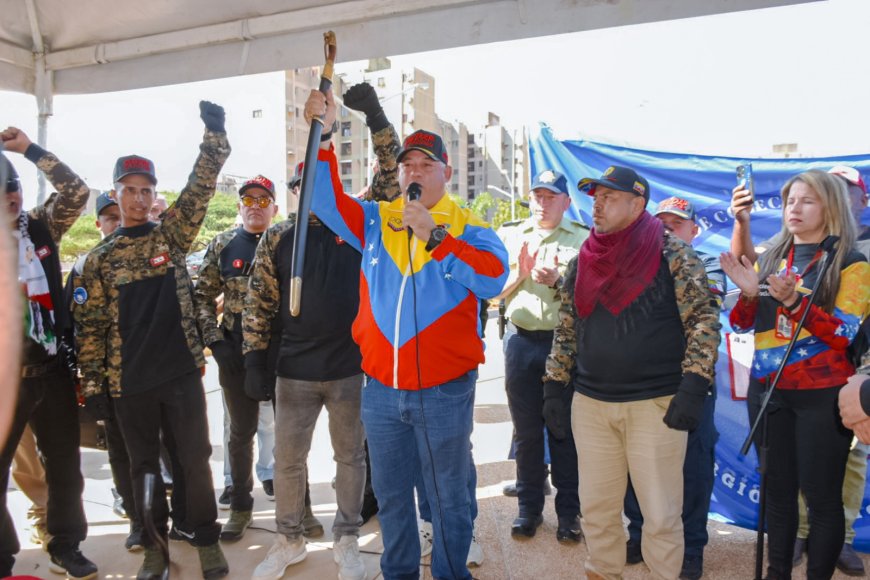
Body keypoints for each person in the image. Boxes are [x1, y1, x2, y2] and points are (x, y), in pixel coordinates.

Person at [304, 87, 508, 580]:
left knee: (447, 501)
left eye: (425, 164)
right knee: (393, 501)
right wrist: (325, 135)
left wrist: (435, 237)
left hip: (443, 391)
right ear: (397, 175)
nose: (414, 172)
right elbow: (323, 198)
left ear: (446, 173)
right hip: (380, 391)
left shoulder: (470, 226)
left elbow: (493, 278)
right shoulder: (376, 219)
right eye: (407, 166)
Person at [75, 101, 231, 580]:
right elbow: (92, 330)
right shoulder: (99, 260)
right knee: (143, 469)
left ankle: (204, 538)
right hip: (130, 384)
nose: (140, 200)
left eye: (147, 191)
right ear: (116, 194)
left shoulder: (171, 238)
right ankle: (154, 549)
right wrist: (96, 387)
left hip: (180, 373)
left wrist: (213, 137)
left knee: (195, 459)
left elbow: (200, 190)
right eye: (130, 191)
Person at [542, 166, 721, 580]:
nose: (598, 204)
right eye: (595, 196)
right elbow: (568, 326)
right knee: (599, 512)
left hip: (655, 406)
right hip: (591, 405)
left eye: (609, 197)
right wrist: (554, 385)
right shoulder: (585, 256)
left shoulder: (671, 251)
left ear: (638, 204)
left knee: (659, 517)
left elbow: (704, 322)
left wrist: (693, 386)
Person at [721, 169, 869, 580]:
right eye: (790, 201)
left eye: (807, 201)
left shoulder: (852, 262)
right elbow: (743, 323)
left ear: (830, 207)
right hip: (768, 392)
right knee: (779, 496)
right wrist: (751, 295)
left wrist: (793, 303)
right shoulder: (771, 256)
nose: (795, 209)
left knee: (822, 499)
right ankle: (776, 573)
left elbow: (842, 334)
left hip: (822, 395)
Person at [0, 128, 98, 579]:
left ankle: (66, 544)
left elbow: (77, 191)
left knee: (65, 465)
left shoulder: (39, 226)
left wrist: (28, 151)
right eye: (2, 193)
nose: (11, 198)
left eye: (13, 188)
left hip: (52, 368)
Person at [623, 196, 725, 580]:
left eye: (676, 223)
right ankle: (638, 533)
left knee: (694, 469)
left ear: (693, 230)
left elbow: (705, 315)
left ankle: (692, 546)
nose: (666, 229)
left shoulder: (709, 265)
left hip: (691, 384)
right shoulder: (634, 268)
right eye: (661, 222)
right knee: (637, 464)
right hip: (644, 385)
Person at [495, 170, 586, 542]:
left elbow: (593, 297)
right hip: (520, 342)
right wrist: (522, 273)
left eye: (550, 197)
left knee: (564, 431)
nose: (542, 203)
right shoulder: (510, 234)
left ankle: (569, 515)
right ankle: (528, 510)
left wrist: (560, 281)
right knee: (527, 432)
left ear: (565, 202)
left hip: (563, 343)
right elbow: (492, 292)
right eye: (536, 196)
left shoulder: (583, 238)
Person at [193, 174, 279, 542]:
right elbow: (200, 297)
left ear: (274, 207)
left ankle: (299, 505)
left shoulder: (287, 241)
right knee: (240, 433)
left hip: (280, 354)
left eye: (264, 200)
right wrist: (216, 340)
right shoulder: (223, 244)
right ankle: (241, 506)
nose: (255, 206)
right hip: (235, 354)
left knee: (290, 433)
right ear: (239, 205)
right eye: (249, 199)